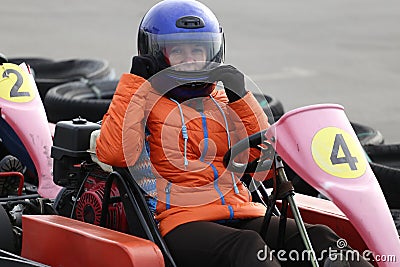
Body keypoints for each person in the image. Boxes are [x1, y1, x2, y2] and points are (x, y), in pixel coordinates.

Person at [96, 1, 373, 266]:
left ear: (213, 52)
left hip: (242, 211)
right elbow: (115, 153)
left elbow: (263, 159)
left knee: (320, 238)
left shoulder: (223, 100)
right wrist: (135, 83)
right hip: (181, 220)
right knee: (247, 248)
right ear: (156, 55)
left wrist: (241, 97)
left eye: (197, 50)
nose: (190, 60)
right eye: (178, 51)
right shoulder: (143, 101)